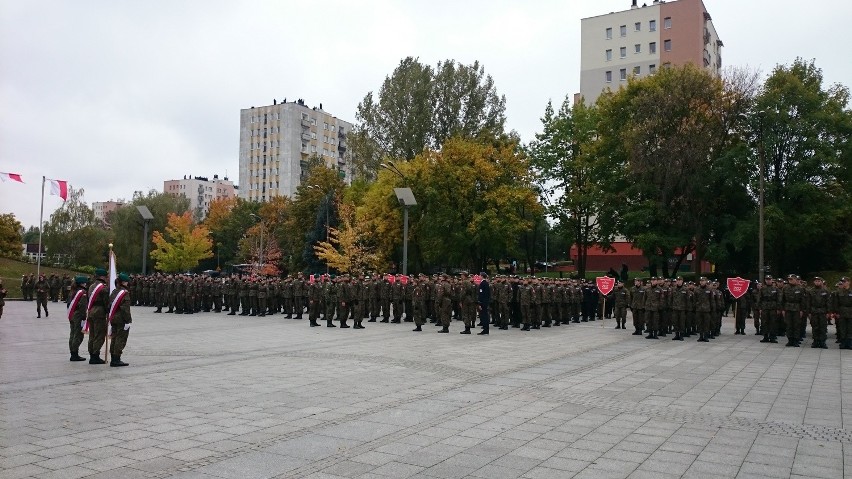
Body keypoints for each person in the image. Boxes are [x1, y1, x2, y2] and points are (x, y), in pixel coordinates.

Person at [107, 273, 132, 367]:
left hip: (113, 317)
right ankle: (116, 359)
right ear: (124, 282)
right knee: (120, 338)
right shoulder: (124, 293)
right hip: (121, 318)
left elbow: (109, 304)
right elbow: (125, 308)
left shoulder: (114, 291)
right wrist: (128, 320)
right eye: (127, 282)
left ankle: (113, 357)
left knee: (114, 337)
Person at [86, 268, 110, 364]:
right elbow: (106, 302)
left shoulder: (91, 286)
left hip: (91, 311)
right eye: (106, 277)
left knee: (92, 334)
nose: (108, 278)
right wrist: (109, 310)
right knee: (99, 335)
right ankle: (95, 356)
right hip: (99, 312)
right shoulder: (103, 288)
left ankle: (92, 354)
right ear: (102, 277)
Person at [67, 276, 88, 361]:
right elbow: (83, 306)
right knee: (78, 335)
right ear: (82, 283)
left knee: (72, 334)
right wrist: (84, 317)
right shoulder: (82, 292)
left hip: (72, 314)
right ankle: (75, 354)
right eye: (85, 282)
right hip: (78, 315)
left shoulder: (73, 291)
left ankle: (73, 353)